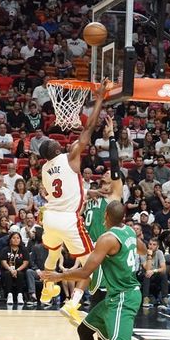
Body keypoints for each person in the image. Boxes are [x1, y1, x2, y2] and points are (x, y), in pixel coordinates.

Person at [42, 200, 170, 340]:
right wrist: (147, 257)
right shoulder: (129, 231)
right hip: (116, 295)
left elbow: (85, 273)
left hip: (124, 297)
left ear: (105, 217)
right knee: (84, 329)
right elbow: (142, 248)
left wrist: (58, 276)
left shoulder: (107, 239)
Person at [36, 80, 108, 304]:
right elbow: (89, 127)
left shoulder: (45, 169)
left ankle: (47, 288)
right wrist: (99, 99)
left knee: (53, 253)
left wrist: (88, 192)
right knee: (91, 260)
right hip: (68, 219)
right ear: (57, 148)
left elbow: (62, 190)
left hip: (50, 217)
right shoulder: (70, 156)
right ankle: (102, 295)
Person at [62, 115, 123, 327]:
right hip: (88, 241)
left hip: (106, 246)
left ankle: (74, 303)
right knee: (93, 284)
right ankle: (75, 304)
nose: (107, 173)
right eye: (104, 172)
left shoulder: (114, 195)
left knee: (92, 281)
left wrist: (111, 136)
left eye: (109, 173)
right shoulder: (91, 194)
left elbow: (114, 162)